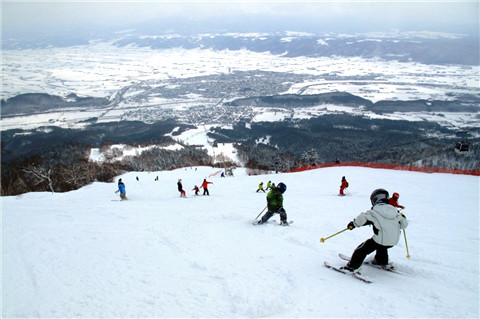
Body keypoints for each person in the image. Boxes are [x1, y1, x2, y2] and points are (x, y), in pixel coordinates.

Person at [341, 188, 408, 272]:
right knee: (382, 247)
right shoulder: (395, 211)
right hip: (393, 241)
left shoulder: (375, 210)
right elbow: (404, 225)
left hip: (380, 240)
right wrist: (403, 218)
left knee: (362, 250)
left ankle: (352, 267)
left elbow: (363, 217)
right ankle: (381, 261)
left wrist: (353, 224)